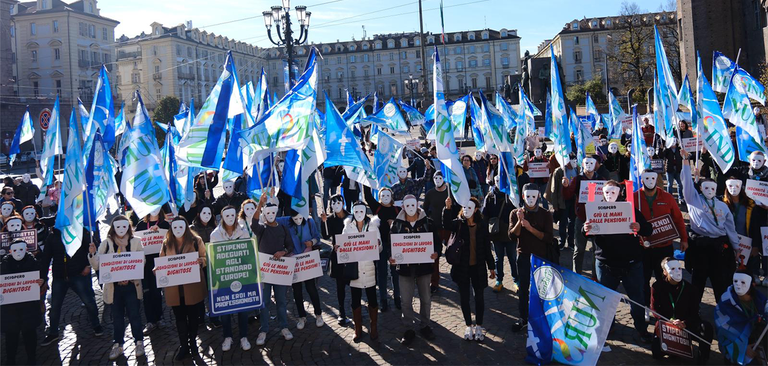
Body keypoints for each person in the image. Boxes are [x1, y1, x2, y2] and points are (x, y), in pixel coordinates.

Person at [583, 180, 654, 342]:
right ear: (602, 193)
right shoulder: (596, 210)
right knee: (605, 299)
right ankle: (608, 327)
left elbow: (648, 229)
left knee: (637, 299)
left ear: (620, 192)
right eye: (607, 192)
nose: (610, 195)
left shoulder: (630, 210)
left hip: (631, 264)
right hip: (605, 264)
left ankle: (641, 330)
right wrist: (585, 228)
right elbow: (586, 232)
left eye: (613, 192)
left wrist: (639, 227)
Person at [680, 148, 739, 305]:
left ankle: (723, 310)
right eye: (705, 187)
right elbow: (686, 183)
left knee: (720, 282)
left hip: (718, 248)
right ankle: (693, 312)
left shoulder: (723, 206)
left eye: (712, 188)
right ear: (700, 188)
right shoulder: (693, 200)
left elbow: (730, 229)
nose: (709, 191)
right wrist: (686, 162)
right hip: (700, 247)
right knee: (697, 282)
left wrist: (737, 248)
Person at [87, 216, 146, 360]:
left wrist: (128, 274)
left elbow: (141, 261)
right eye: (118, 227)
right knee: (117, 318)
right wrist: (93, 254)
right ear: (113, 227)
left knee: (135, 316)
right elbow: (97, 265)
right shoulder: (106, 244)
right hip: (115, 289)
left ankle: (139, 342)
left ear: (128, 227)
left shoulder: (136, 241)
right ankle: (118, 344)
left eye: (123, 226)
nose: (121, 230)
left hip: (132, 286)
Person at [634, 171, 688, 318]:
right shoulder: (634, 198)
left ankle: (665, 309)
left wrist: (684, 239)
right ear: (641, 179)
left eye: (653, 178)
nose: (650, 181)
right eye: (647, 178)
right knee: (643, 279)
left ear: (657, 180)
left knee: (664, 280)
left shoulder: (667, 197)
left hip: (664, 246)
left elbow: (678, 219)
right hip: (643, 247)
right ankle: (646, 306)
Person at [39, 227, 103, 346]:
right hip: (59, 276)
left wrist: (88, 265)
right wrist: (43, 277)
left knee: (89, 301)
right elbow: (46, 258)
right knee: (55, 306)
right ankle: (53, 332)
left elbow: (91, 249)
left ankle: (96, 325)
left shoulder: (80, 232)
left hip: (78, 274)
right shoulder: (52, 236)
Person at [443, 196, 495, 341]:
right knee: (464, 298)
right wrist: (447, 209)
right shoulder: (459, 224)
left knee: (479, 298)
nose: (466, 210)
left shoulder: (482, 225)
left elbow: (486, 248)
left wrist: (491, 267)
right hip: (462, 267)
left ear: (476, 209)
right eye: (464, 207)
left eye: (469, 208)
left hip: (477, 267)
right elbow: (446, 224)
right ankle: (468, 325)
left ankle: (479, 326)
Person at [389, 195, 439, 345]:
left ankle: (425, 325)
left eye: (413, 205)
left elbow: (436, 243)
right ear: (403, 207)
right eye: (407, 205)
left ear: (417, 205)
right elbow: (391, 245)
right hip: (405, 269)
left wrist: (436, 253)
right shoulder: (396, 225)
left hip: (423, 268)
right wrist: (391, 258)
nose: (410, 208)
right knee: (406, 301)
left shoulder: (428, 222)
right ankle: (408, 328)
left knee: (426, 299)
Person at [159, 217, 207, 361]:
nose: (178, 230)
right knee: (179, 318)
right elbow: (162, 261)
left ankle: (193, 343)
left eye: (181, 227)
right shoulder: (166, 243)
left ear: (185, 227)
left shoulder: (196, 240)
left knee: (193, 317)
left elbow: (205, 257)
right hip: (175, 288)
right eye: (175, 228)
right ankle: (183, 345)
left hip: (191, 287)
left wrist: (201, 261)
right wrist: (159, 269)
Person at [650, 258, 713, 363]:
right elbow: (654, 309)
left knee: (706, 328)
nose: (677, 272)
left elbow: (695, 311)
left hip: (686, 324)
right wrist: (667, 321)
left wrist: (684, 323)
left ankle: (703, 359)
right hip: (666, 324)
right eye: (672, 268)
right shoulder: (657, 286)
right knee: (657, 354)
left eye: (679, 268)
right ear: (664, 272)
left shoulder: (690, 289)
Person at [509, 184, 553, 332]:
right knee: (523, 288)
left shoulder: (546, 214)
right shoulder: (515, 213)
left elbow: (547, 238)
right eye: (528, 196)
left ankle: (540, 318)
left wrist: (530, 228)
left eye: (534, 196)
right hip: (523, 256)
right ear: (522, 196)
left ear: (539, 196)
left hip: (541, 257)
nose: (531, 199)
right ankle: (523, 318)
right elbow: (512, 236)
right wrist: (519, 222)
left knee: (541, 290)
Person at [252, 196, 295, 346]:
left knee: (281, 301)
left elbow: (290, 246)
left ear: (276, 213)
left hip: (279, 271)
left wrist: (283, 252)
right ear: (264, 213)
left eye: (272, 212)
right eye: (267, 213)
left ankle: (284, 327)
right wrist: (259, 205)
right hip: (265, 272)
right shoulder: (261, 228)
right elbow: (253, 224)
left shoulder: (283, 228)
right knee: (264, 302)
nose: (270, 215)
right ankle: (264, 329)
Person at [210, 205, 252, 351]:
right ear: (222, 217)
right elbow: (214, 258)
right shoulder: (215, 235)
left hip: (241, 274)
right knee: (225, 309)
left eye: (232, 215)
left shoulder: (243, 232)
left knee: (243, 307)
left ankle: (243, 336)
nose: (230, 218)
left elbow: (248, 253)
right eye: (226, 216)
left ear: (235, 215)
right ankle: (228, 336)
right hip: (224, 277)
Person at [277, 210, 325, 329]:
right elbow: (271, 219)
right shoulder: (286, 221)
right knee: (297, 291)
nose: (298, 221)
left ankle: (318, 314)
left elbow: (317, 237)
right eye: (295, 219)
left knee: (311, 288)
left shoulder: (310, 221)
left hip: (307, 259)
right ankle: (301, 316)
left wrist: (311, 242)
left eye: (300, 218)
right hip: (294, 260)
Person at [343, 201, 382, 343]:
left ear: (365, 212)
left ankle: (374, 327)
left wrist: (377, 245)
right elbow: (343, 245)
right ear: (353, 212)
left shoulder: (372, 226)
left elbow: (380, 247)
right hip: (355, 269)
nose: (359, 214)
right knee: (355, 300)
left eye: (361, 211)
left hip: (369, 267)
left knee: (372, 298)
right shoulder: (348, 227)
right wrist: (338, 248)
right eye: (356, 211)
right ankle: (357, 328)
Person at [1, 239, 45, 364]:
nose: (18, 253)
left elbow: (42, 279)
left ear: (26, 250)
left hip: (29, 307)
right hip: (10, 310)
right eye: (15, 250)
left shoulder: (34, 263)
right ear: (10, 251)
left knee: (30, 334)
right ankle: (10, 360)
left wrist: (41, 283)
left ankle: (32, 358)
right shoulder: (4, 265)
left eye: (21, 249)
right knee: (11, 337)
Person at [562, 155, 605, 275]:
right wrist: (565, 187)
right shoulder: (577, 179)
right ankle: (577, 274)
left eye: (592, 163)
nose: (589, 166)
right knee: (579, 248)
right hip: (581, 218)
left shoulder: (601, 179)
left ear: (596, 164)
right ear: (583, 164)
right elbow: (568, 195)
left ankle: (596, 276)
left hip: (597, 218)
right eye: (587, 163)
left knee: (596, 250)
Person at [715, 271, 768, 365]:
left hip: (755, 335)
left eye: (743, 282)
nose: (738, 285)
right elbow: (724, 331)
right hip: (735, 343)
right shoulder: (726, 302)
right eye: (735, 281)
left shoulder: (759, 298)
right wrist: (743, 348)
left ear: (753, 284)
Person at [364, 186, 401, 311]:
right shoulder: (377, 208)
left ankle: (397, 298)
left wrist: (394, 224)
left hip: (395, 245)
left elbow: (403, 225)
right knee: (382, 273)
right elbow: (367, 196)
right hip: (381, 245)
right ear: (379, 197)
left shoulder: (397, 209)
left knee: (396, 272)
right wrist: (367, 181)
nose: (385, 198)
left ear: (391, 197)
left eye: (387, 195)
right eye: (382, 196)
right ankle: (384, 300)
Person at [134, 208, 169, 335]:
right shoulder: (141, 225)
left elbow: (169, 242)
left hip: (159, 262)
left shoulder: (164, 225)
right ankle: (150, 321)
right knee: (146, 292)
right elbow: (135, 242)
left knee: (157, 291)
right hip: (144, 264)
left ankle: (159, 318)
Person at [321, 194, 353, 325]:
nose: (336, 205)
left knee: (353, 284)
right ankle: (342, 312)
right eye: (332, 203)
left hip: (352, 256)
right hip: (338, 256)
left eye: (338, 202)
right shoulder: (330, 219)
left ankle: (355, 310)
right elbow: (326, 235)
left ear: (343, 202)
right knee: (340, 286)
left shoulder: (351, 217)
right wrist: (324, 222)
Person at [483, 175, 516, 293]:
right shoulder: (490, 197)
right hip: (496, 234)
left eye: (500, 180)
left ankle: (516, 280)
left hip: (510, 234)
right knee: (499, 258)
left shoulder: (511, 196)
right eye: (496, 181)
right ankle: (499, 280)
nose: (498, 183)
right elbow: (485, 215)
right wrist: (485, 232)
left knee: (513, 257)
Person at [723, 178, 765, 271]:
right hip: (728, 242)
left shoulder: (750, 205)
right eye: (730, 186)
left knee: (746, 268)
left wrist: (755, 246)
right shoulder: (722, 204)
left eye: (736, 186)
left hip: (746, 242)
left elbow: (755, 226)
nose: (733, 189)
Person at [422, 172, 450, 293]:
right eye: (435, 178)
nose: (438, 180)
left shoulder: (450, 193)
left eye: (440, 178)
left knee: (455, 253)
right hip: (435, 228)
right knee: (435, 256)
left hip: (449, 227)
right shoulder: (430, 193)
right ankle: (434, 283)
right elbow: (424, 209)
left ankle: (460, 279)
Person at [546, 153, 578, 250]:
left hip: (574, 201)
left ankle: (571, 242)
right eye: (572, 160)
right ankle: (562, 241)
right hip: (562, 202)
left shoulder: (577, 170)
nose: (574, 162)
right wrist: (555, 204)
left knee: (573, 223)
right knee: (563, 222)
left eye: (575, 160)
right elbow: (554, 189)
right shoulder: (559, 171)